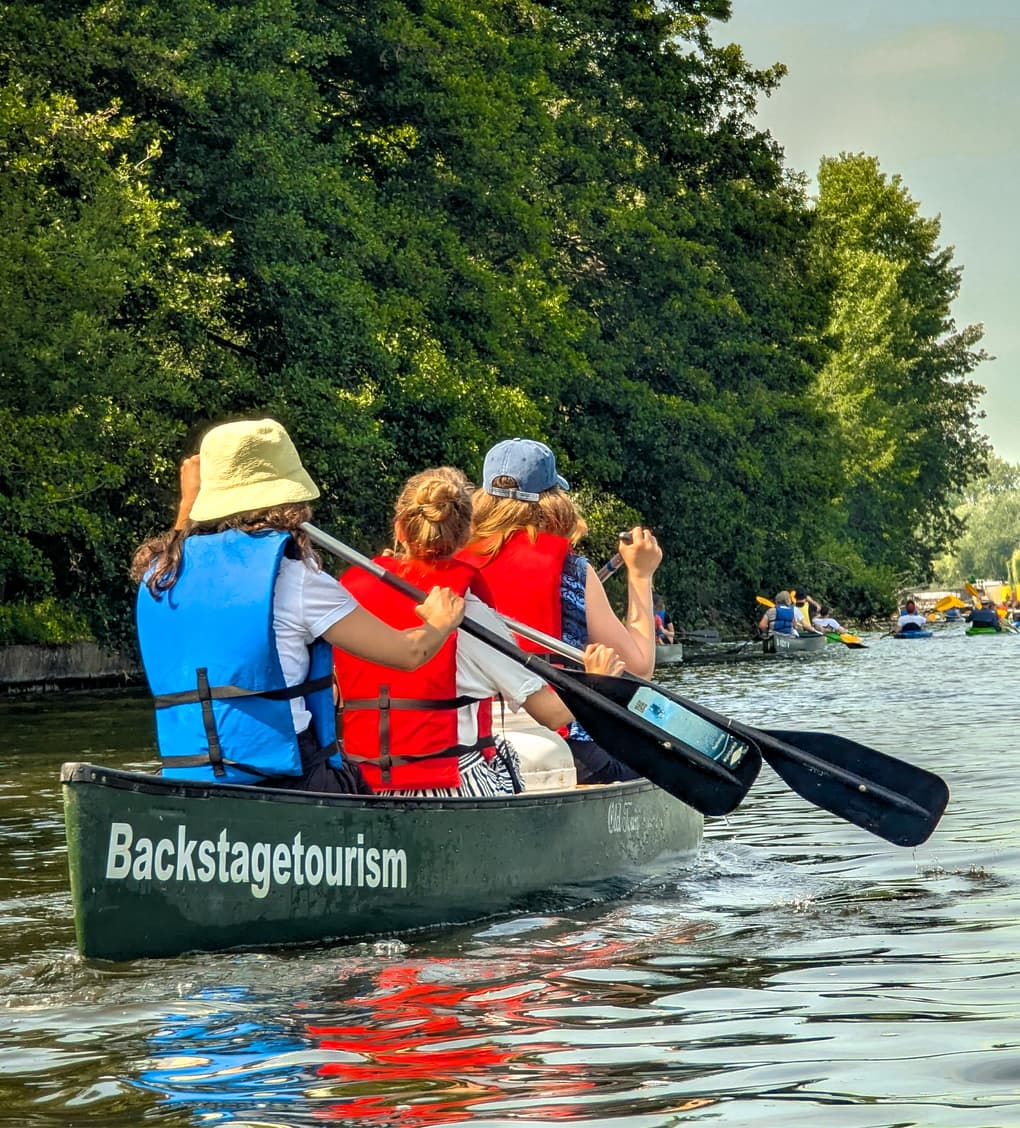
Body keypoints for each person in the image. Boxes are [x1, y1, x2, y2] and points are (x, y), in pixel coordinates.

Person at [131, 418, 467, 793]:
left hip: (193, 774)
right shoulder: (296, 579)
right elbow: (409, 652)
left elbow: (179, 541)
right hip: (291, 775)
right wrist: (440, 622)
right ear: (291, 500)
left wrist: (190, 502)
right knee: (353, 780)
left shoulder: (162, 574)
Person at [333, 466, 624, 797]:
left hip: (363, 785)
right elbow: (551, 713)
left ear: (400, 530)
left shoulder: (348, 601)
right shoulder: (472, 615)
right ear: (465, 534)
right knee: (510, 758)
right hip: (452, 784)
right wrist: (597, 684)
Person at [457, 437, 662, 785]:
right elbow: (639, 668)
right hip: (569, 747)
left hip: (471, 747)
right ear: (554, 501)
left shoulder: (449, 564)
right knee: (657, 760)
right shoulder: (573, 571)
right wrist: (640, 575)